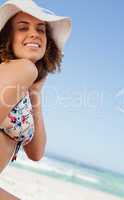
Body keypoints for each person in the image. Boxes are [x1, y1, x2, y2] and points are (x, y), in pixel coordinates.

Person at [0, 0, 72, 199]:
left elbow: (36, 152)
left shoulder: (22, 78)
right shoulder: (22, 69)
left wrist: (35, 93)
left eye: (41, 30)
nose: (34, 34)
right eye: (23, 28)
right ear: (8, 37)